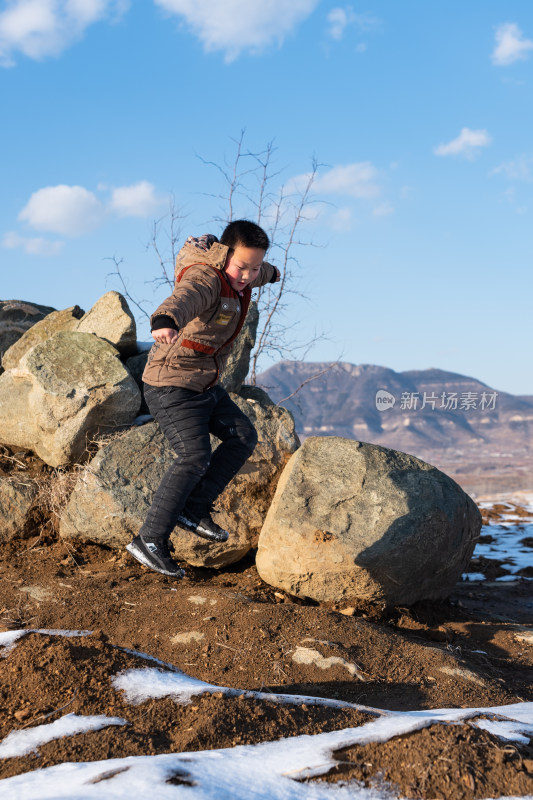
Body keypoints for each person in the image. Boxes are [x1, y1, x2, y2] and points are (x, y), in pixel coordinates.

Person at [126, 220, 280, 577]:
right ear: (225, 255)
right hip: (171, 384)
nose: (246, 275)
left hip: (204, 385)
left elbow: (261, 271)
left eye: (254, 268)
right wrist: (165, 319)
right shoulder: (207, 277)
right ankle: (149, 539)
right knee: (193, 455)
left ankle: (194, 510)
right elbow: (184, 297)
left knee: (243, 436)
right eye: (241, 266)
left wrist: (271, 274)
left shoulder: (248, 273)